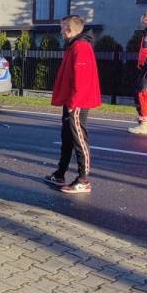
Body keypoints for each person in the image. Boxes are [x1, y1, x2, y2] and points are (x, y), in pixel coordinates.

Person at [47, 15, 101, 194]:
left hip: (77, 101)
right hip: (71, 100)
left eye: (62, 27)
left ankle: (83, 180)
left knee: (79, 138)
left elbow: (81, 79)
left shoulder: (80, 47)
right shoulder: (74, 46)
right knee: (67, 137)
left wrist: (73, 102)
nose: (61, 31)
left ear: (69, 30)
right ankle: (60, 173)